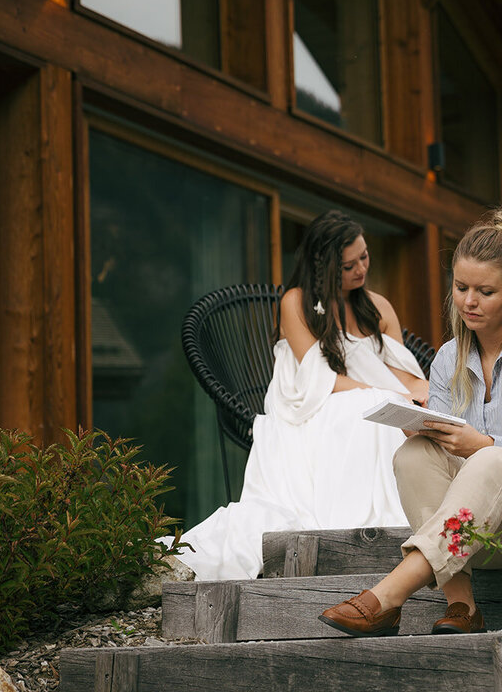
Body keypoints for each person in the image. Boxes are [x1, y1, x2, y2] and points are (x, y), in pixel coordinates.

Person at [318, 208, 502, 637]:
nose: (468, 301)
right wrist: (426, 428)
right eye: (461, 287)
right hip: (486, 535)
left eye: (485, 291)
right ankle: (462, 606)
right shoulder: (449, 358)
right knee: (415, 455)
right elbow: (454, 452)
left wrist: (486, 443)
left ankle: (389, 596)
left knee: (492, 460)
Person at [171, 210, 429, 580]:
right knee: (372, 406)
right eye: (348, 265)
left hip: (368, 393)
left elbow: (400, 370)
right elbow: (316, 376)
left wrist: (421, 391)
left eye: (365, 257)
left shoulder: (378, 306)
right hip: (314, 402)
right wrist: (382, 392)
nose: (361, 270)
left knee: (397, 407)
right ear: (324, 267)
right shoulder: (296, 302)